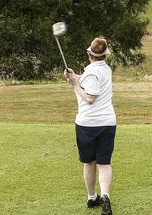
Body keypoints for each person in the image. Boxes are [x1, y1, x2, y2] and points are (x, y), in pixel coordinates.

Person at [65, 37, 116, 215]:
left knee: (89, 163)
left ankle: (92, 197)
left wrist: (74, 85)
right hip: (107, 123)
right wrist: (75, 77)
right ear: (104, 55)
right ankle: (105, 195)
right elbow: (88, 79)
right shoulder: (105, 69)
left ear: (90, 54)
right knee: (104, 163)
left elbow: (89, 97)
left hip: (87, 124)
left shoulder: (92, 72)